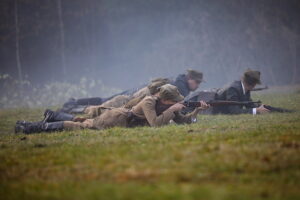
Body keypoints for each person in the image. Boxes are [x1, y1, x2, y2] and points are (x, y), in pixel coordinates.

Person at [15, 84, 210, 134]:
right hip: (116, 119)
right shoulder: (150, 102)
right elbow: (156, 125)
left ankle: (51, 116)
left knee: (83, 122)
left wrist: (197, 111)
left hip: (122, 121)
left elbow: (184, 121)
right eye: (174, 101)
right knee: (83, 126)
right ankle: (28, 128)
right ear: (167, 99)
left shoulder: (167, 105)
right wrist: (172, 109)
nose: (176, 103)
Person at [60, 69, 204, 113]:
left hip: (139, 91)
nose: (197, 85)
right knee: (105, 105)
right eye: (196, 82)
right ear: (190, 78)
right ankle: (73, 106)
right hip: (138, 95)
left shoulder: (178, 81)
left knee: (105, 101)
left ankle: (74, 103)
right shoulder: (181, 87)